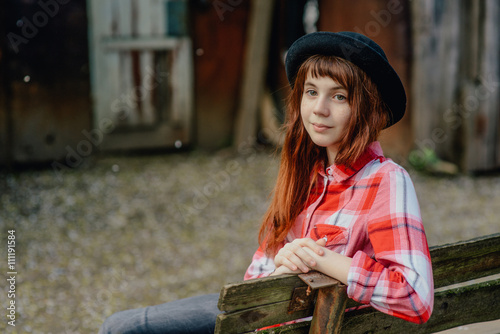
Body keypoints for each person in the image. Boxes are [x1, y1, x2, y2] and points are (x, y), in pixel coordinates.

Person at [99, 31, 433, 333]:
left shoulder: (386, 181)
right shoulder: (305, 173)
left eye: (339, 97)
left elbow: (414, 297)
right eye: (311, 92)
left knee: (122, 330)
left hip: (303, 325)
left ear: (368, 109)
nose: (319, 109)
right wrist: (280, 265)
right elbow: (257, 273)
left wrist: (319, 258)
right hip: (269, 315)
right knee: (120, 326)